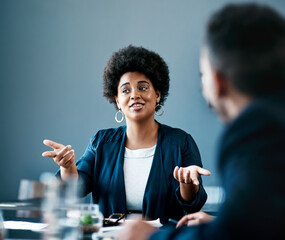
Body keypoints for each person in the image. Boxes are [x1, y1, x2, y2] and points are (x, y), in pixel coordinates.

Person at [116, 3, 285, 240]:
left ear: (217, 81)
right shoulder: (273, 122)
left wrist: (150, 237)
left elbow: (240, 233)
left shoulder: (255, 132)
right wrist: (217, 222)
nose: (134, 95)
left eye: (202, 74)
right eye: (125, 90)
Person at [42, 45, 211, 224]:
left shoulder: (180, 142)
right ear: (117, 100)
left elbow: (193, 207)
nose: (135, 95)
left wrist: (187, 184)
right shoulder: (101, 142)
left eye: (143, 88)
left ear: (158, 95)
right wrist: (68, 167)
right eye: (125, 90)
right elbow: (76, 189)